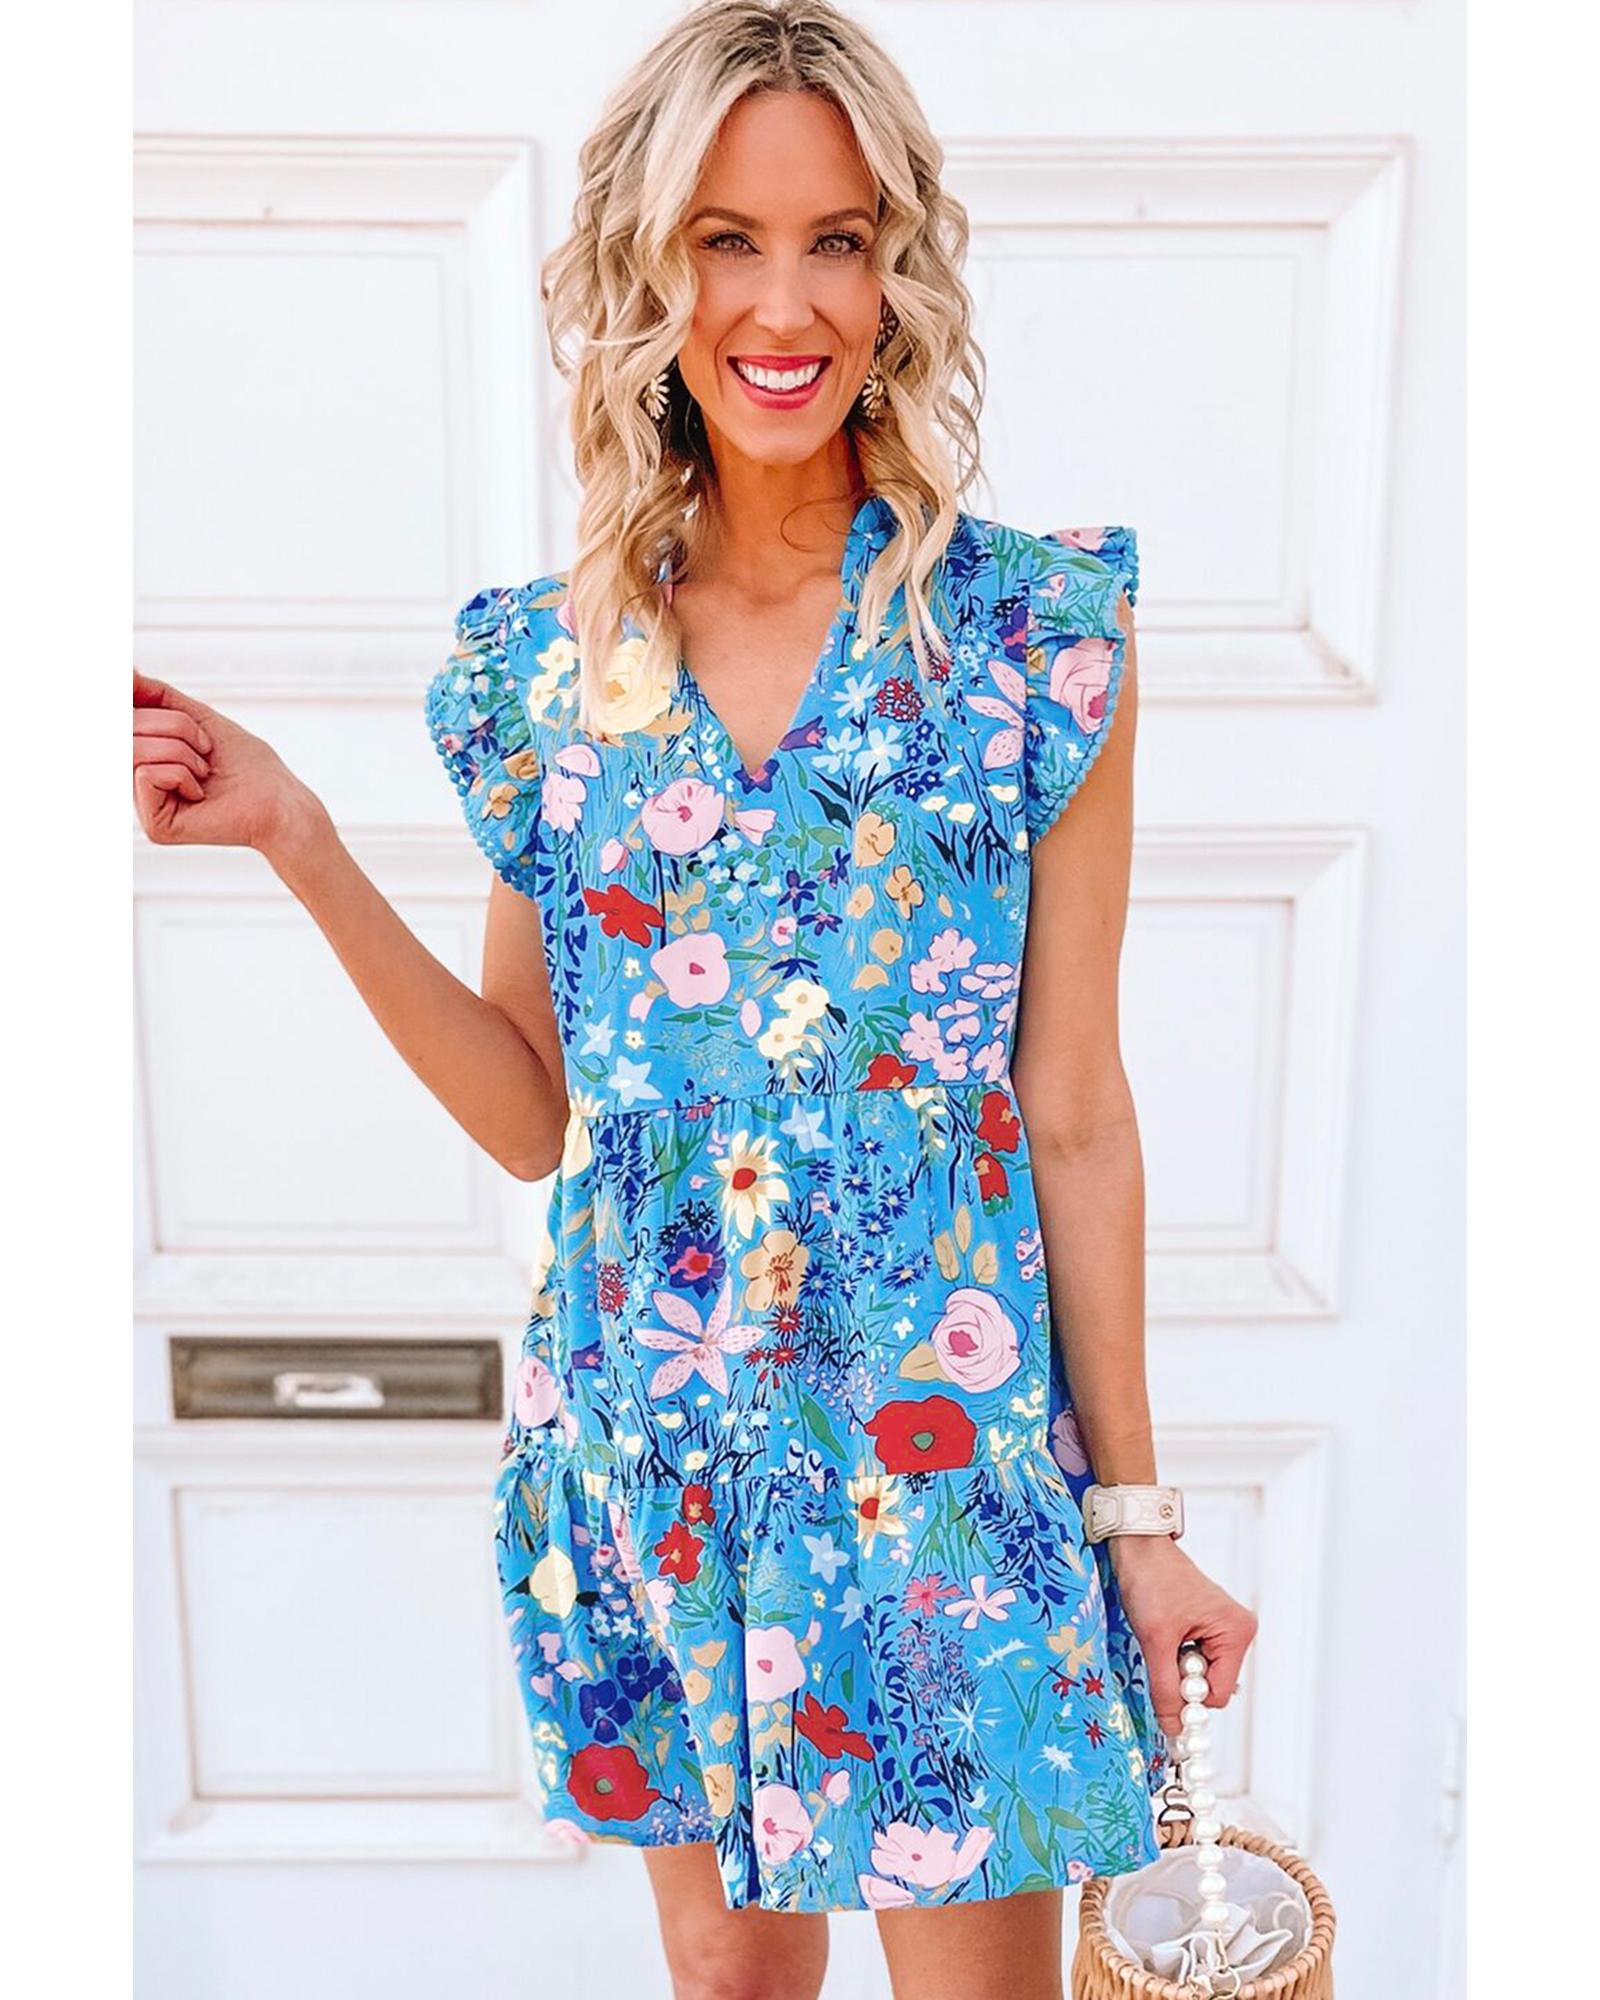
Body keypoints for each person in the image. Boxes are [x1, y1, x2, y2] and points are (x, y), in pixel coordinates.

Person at [132, 4, 1256, 1994]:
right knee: (731, 1980)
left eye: (837, 241)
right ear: (645, 271)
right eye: (725, 240)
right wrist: (299, 835)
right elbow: (533, 1113)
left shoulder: (1028, 635)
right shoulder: (550, 668)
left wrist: (1136, 1513)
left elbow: (1075, 1106)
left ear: (899, 273)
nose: (782, 305)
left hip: (940, 1452)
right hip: (649, 1441)